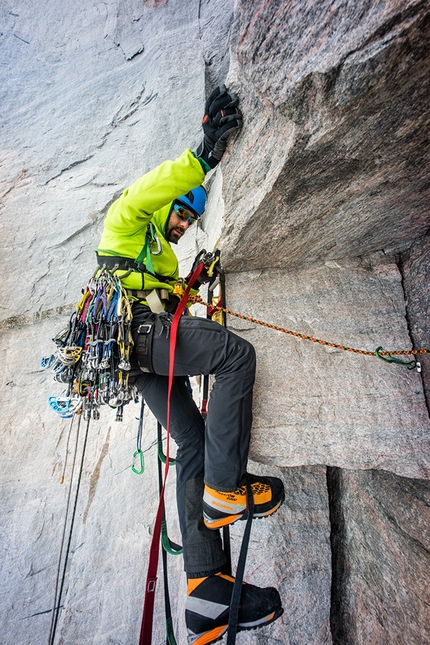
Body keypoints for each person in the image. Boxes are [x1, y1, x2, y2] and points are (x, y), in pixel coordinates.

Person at [96, 85, 285, 644]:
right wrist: (202, 157)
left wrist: (190, 282)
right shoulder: (127, 223)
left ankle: (204, 594)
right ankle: (225, 490)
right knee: (234, 354)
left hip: (136, 355)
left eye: (188, 221)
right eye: (180, 214)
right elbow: (137, 197)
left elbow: (161, 292)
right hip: (138, 336)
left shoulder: (156, 256)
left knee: (193, 442)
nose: (182, 226)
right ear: (166, 206)